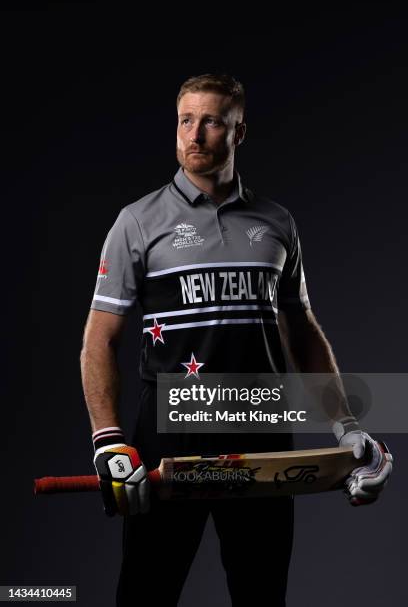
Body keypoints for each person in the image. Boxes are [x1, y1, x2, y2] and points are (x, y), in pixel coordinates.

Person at [80, 73, 392, 606]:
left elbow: (304, 333)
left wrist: (345, 424)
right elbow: (98, 341)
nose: (194, 135)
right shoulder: (136, 221)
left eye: (211, 121)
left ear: (239, 132)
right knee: (145, 593)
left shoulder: (277, 223)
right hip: (170, 429)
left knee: (262, 593)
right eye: (184, 120)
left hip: (261, 426)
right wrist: (108, 438)